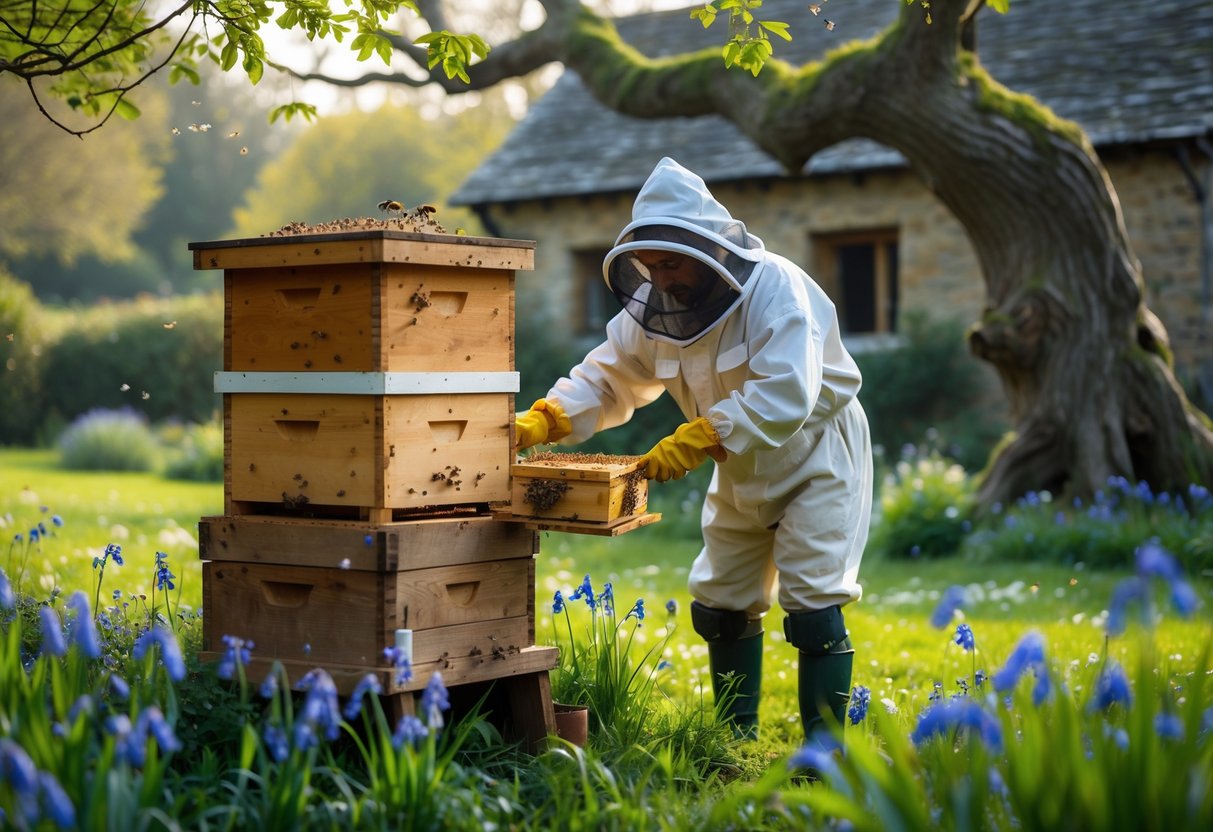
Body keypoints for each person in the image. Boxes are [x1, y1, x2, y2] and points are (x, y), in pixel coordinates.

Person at [515, 157, 873, 743]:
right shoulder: (659, 309)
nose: (659, 277)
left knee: (813, 606)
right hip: (737, 464)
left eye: (670, 263)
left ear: (707, 252)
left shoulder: (776, 289)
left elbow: (790, 390)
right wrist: (546, 418)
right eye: (649, 265)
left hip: (816, 454)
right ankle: (734, 739)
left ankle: (825, 752)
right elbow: (607, 378)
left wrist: (704, 434)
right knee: (720, 603)